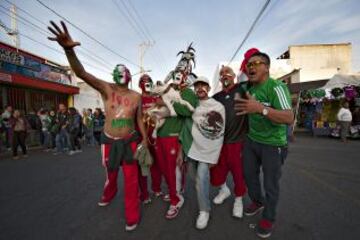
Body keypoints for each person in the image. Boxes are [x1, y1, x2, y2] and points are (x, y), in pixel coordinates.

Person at [48, 20, 148, 231]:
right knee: (111, 176)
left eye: (126, 72)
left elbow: (139, 119)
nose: (123, 75)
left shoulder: (137, 96)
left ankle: (132, 215)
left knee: (131, 180)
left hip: (130, 141)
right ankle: (108, 192)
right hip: (109, 142)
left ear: (129, 76)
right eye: (120, 72)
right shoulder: (106, 89)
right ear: (115, 75)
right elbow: (82, 73)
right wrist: (68, 51)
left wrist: (146, 140)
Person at [234, 52, 294, 238]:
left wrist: (261, 109)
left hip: (273, 144)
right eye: (248, 65)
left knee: (270, 184)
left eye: (256, 63)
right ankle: (257, 201)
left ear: (267, 67)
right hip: (252, 141)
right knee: (248, 175)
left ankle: (269, 217)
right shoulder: (247, 88)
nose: (250, 67)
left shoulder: (276, 87)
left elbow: (289, 117)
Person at [180, 76, 225, 229]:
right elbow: (183, 123)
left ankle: (204, 210)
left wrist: (214, 156)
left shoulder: (218, 106)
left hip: (208, 152)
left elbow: (219, 133)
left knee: (200, 181)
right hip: (192, 149)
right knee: (194, 178)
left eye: (203, 85)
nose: (200, 88)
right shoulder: (191, 106)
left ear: (209, 88)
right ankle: (223, 187)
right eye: (197, 86)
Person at [155, 75, 198, 219]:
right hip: (161, 136)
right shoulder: (171, 89)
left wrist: (166, 103)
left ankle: (177, 199)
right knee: (165, 169)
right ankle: (175, 191)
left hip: (174, 136)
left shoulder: (189, 93)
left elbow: (187, 111)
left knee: (174, 170)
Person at [210, 66, 248, 219]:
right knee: (216, 171)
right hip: (219, 143)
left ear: (233, 76)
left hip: (238, 141)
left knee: (239, 173)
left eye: (227, 73)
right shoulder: (216, 97)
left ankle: (238, 199)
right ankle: (224, 189)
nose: (224, 75)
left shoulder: (243, 90)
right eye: (221, 74)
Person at [137, 74, 164, 204]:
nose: (146, 83)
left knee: (157, 164)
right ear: (139, 84)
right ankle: (144, 193)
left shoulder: (156, 98)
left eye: (149, 81)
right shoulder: (137, 99)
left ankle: (156, 188)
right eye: (143, 81)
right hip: (141, 138)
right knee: (142, 165)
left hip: (156, 137)